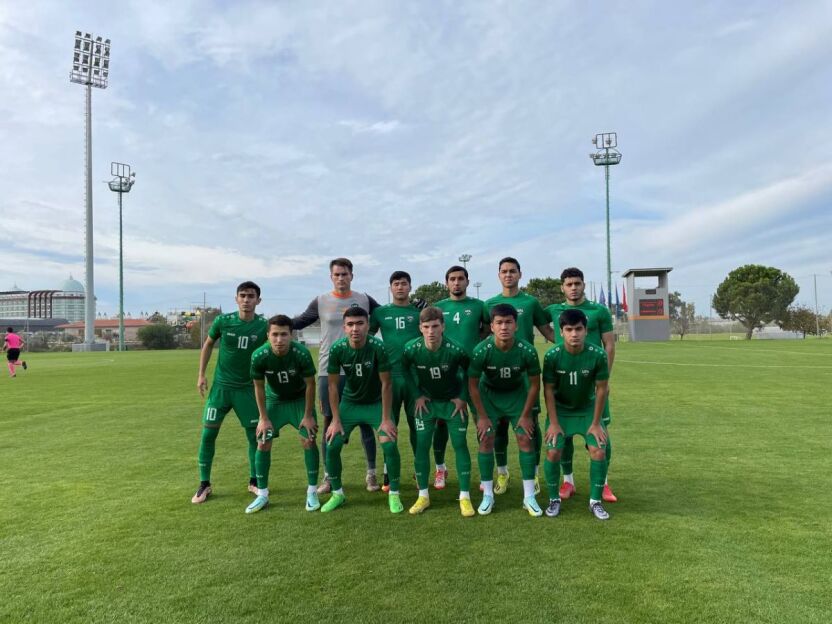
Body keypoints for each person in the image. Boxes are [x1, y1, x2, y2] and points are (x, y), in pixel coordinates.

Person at [292, 258, 382, 494]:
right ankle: (329, 476)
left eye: (345, 274)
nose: (341, 278)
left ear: (352, 275)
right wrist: (273, 324)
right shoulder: (321, 301)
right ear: (331, 277)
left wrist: (416, 309)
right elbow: (300, 321)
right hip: (328, 369)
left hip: (360, 368)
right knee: (329, 422)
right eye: (337, 274)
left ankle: (371, 473)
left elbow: (386, 315)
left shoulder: (364, 299)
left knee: (365, 421)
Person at [192, 282, 269, 504]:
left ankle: (254, 481)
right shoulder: (223, 321)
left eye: (251, 296)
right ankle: (204, 483)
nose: (246, 300)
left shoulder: (263, 326)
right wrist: (201, 374)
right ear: (236, 299)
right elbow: (208, 344)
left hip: (248, 390)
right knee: (208, 434)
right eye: (242, 296)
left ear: (258, 301)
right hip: (221, 389)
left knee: (254, 437)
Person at [545, 267, 617, 503]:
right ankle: (568, 481)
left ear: (584, 285)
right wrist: (556, 339)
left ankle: (603, 483)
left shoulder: (599, 311)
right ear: (562, 287)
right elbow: (536, 324)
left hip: (592, 383)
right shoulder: (554, 310)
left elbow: (609, 345)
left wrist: (604, 378)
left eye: (577, 283)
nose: (573, 288)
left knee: (601, 435)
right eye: (569, 284)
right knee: (563, 438)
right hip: (565, 382)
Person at [321, 307, 402, 514]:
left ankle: (394, 493)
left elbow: (387, 384)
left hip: (375, 403)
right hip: (350, 403)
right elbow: (332, 386)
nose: (355, 329)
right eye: (350, 324)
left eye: (359, 323)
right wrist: (335, 420)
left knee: (389, 443)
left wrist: (386, 418)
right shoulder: (337, 349)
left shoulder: (378, 347)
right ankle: (337, 494)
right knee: (332, 443)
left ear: (367, 325)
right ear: (344, 327)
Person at [485, 257, 553, 495]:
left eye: (512, 271)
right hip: (497, 375)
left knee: (531, 425)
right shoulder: (489, 304)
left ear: (520, 274)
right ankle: (502, 473)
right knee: (499, 426)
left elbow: (548, 331)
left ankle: (533, 474)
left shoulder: (531, 302)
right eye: (504, 271)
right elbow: (482, 335)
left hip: (525, 374)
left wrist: (576, 347)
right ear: (498, 275)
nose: (508, 275)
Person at [468, 304, 543, 517]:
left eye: (508, 322)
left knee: (525, 438)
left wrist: (526, 415)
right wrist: (482, 416)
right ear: (491, 326)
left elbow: (534, 384)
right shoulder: (481, 350)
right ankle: (488, 495)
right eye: (499, 323)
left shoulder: (527, 350)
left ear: (516, 325)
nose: (504, 327)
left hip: (517, 395)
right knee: (486, 439)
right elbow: (472, 385)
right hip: (489, 396)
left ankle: (529, 496)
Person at [402, 307, 474, 517]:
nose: (431, 331)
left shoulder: (456, 349)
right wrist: (416, 395)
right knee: (422, 446)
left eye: (435, 326)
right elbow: (404, 369)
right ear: (420, 328)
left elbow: (470, 372)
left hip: (452, 403)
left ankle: (465, 497)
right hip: (427, 403)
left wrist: (462, 397)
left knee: (460, 444)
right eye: (426, 327)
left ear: (443, 326)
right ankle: (423, 496)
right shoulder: (411, 348)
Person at [542, 308, 611, 520]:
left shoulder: (598, 354)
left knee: (598, 451)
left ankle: (595, 502)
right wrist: (553, 423)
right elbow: (548, 390)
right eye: (569, 329)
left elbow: (602, 389)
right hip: (561, 411)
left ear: (586, 331)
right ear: (561, 332)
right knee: (553, 452)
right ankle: (554, 499)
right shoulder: (552, 356)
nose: (574, 334)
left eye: (579, 329)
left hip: (587, 410)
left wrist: (596, 423)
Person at [247, 315, 319, 513]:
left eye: (284, 334)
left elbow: (311, 384)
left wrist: (308, 415)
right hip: (275, 400)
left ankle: (312, 491)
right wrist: (263, 418)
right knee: (263, 440)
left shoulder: (302, 353)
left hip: (299, 400)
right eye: (275, 335)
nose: (279, 340)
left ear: (291, 335)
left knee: (308, 439)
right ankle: (262, 494)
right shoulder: (259, 355)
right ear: (268, 335)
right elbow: (258, 387)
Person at [433, 265, 490, 490]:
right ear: (446, 283)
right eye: (452, 279)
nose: (456, 283)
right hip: (446, 373)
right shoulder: (439, 307)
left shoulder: (479, 306)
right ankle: (440, 468)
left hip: (473, 372)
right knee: (441, 421)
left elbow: (487, 329)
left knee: (480, 419)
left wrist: (474, 346)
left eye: (460, 278)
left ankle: (485, 475)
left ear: (467, 281)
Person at [370, 270, 422, 492]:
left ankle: (420, 472)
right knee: (388, 426)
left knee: (417, 427)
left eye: (404, 283)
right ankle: (388, 473)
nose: (400, 287)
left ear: (410, 287)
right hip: (389, 378)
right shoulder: (380, 312)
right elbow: (368, 338)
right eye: (396, 284)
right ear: (390, 288)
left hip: (414, 378)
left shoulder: (419, 312)